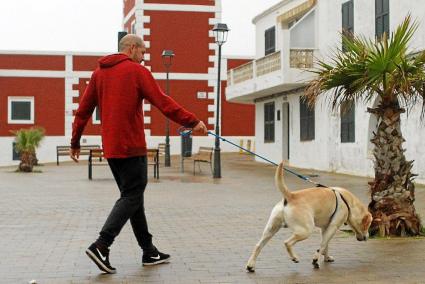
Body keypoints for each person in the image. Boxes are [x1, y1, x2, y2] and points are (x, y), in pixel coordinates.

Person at [69, 34, 208, 274]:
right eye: (143, 52)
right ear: (132, 48)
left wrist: (75, 142)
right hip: (132, 146)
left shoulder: (98, 74)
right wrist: (192, 121)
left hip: (111, 148)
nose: (143, 58)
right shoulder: (136, 71)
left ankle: (149, 251)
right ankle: (102, 245)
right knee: (132, 196)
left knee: (134, 198)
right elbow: (163, 102)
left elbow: (83, 111)